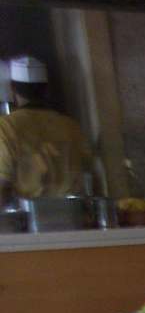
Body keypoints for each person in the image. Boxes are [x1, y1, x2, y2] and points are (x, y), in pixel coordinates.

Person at [0, 55, 92, 203]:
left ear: (12, 88)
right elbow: (89, 170)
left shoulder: (5, 127)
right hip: (74, 212)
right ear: (46, 89)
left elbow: (2, 184)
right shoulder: (71, 126)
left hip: (30, 215)